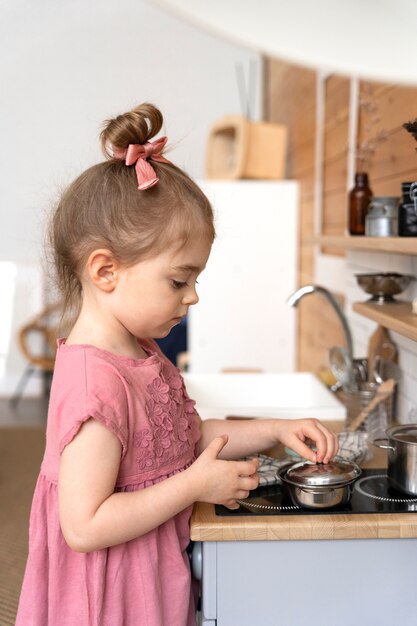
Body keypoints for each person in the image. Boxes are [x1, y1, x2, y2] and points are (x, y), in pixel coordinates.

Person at [16, 103, 338, 626]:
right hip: (111, 595)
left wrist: (276, 428)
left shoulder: (142, 352)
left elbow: (183, 438)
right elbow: (85, 524)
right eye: (178, 280)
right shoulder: (95, 386)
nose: (192, 298)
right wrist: (195, 486)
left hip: (150, 569)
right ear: (105, 270)